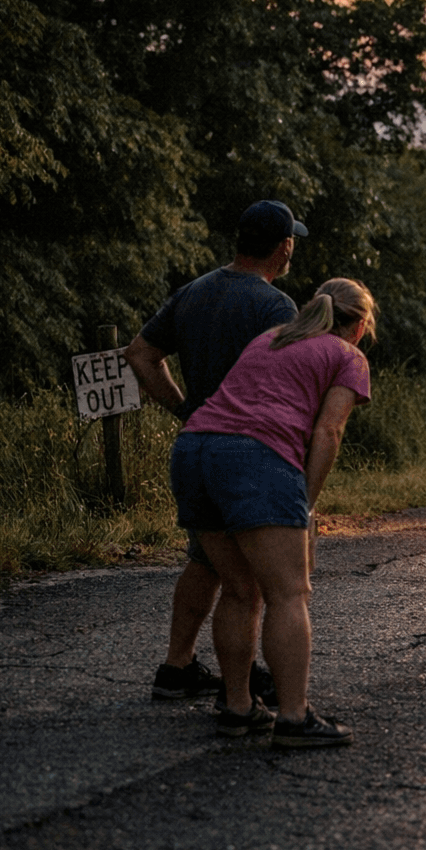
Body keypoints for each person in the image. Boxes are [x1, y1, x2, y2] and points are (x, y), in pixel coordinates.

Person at [170, 278, 375, 747]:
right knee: (289, 593)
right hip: (254, 459)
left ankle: (239, 708)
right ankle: (294, 718)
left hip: (194, 452)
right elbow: (328, 433)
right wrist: (306, 504)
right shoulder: (349, 356)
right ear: (360, 325)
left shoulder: (271, 338)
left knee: (240, 589)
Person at [125, 200, 307, 702]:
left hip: (197, 449)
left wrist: (185, 410)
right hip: (249, 453)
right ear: (283, 247)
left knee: (206, 560)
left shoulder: (194, 291)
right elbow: (287, 386)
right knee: (247, 583)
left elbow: (140, 353)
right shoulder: (276, 307)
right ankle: (241, 686)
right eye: (292, 241)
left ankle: (176, 666)